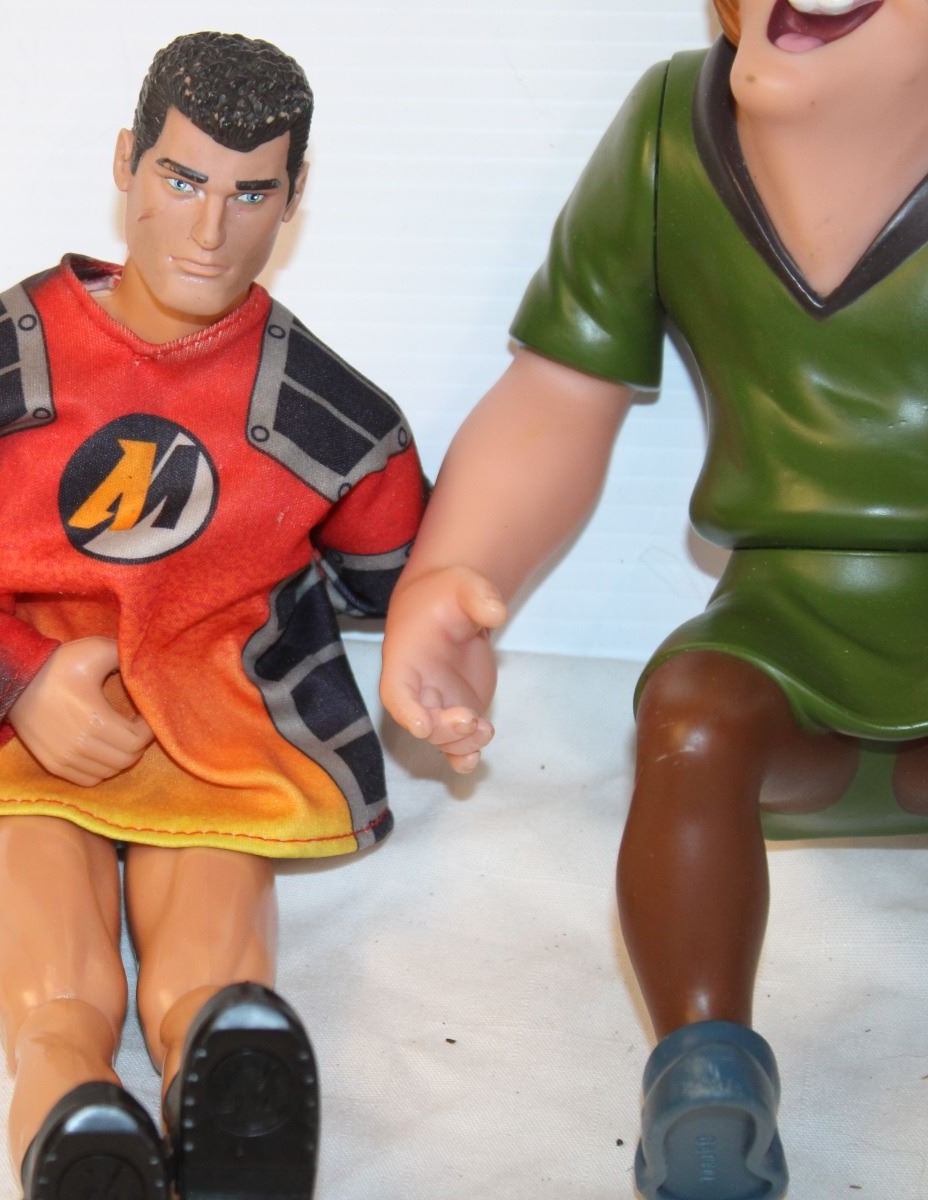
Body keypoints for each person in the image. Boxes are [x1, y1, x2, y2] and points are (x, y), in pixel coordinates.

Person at [0, 31, 426, 1200]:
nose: (210, 230)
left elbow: (396, 574)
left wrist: (451, 622)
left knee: (211, 970)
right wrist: (14, 676)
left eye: (251, 193)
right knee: (58, 979)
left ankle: (231, 1086)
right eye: (182, 180)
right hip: (32, 738)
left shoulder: (324, 411)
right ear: (125, 164)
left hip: (222, 737)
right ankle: (75, 1115)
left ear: (294, 196)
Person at [378, 2, 928, 1196]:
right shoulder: (672, 135)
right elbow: (559, 391)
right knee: (688, 713)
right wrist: (457, 571)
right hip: (786, 634)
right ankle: (706, 1080)